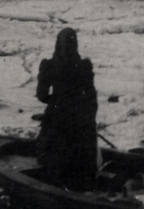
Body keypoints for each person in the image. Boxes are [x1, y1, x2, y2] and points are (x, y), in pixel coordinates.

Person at [35, 28, 98, 191]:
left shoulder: (49, 65)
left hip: (58, 117)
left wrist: (56, 102)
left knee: (54, 155)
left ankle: (54, 186)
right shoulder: (84, 66)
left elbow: (41, 95)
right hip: (81, 117)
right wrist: (87, 114)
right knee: (81, 157)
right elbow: (91, 95)